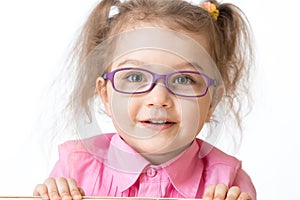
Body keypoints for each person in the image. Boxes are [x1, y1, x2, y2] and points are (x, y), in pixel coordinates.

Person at [34, 0, 256, 199]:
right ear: (105, 95)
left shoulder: (228, 183)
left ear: (212, 102)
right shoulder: (74, 170)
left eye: (184, 79)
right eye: (135, 77)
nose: (158, 99)